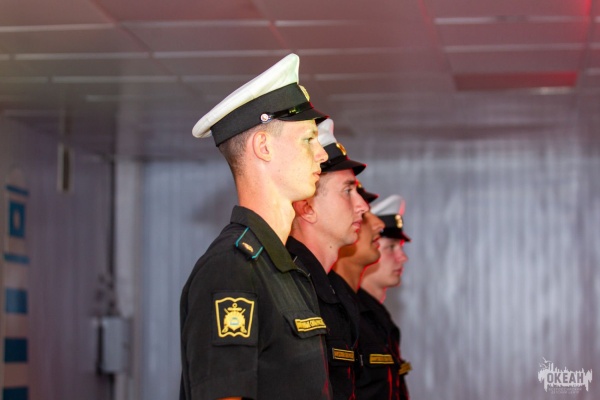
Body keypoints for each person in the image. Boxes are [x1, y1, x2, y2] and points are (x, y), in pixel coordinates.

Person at [180, 53, 333, 400]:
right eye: (308, 139)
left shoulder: (284, 269)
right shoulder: (232, 269)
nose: (322, 154)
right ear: (263, 147)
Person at [286, 118, 369, 399]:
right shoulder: (286, 287)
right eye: (348, 191)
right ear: (307, 208)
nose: (363, 206)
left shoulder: (336, 292)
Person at [357, 194, 413, 400]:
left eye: (401, 247)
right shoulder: (352, 316)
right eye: (390, 247)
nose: (403, 258)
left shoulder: (377, 316)